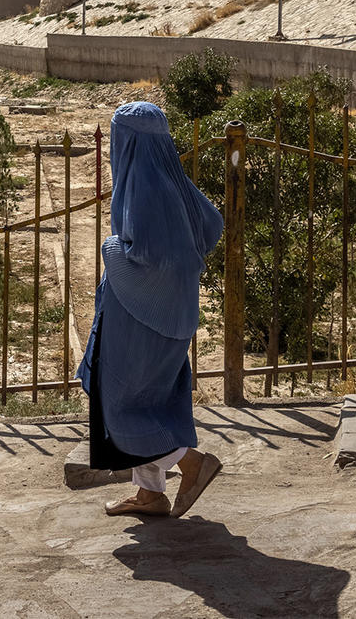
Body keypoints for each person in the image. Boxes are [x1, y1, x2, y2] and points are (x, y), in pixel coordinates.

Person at [78, 101, 225, 519]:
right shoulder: (173, 181)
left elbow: (141, 255)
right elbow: (211, 225)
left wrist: (110, 249)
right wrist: (181, 267)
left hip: (140, 319)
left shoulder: (143, 188)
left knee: (123, 406)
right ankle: (149, 495)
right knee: (152, 401)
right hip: (175, 316)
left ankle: (192, 462)